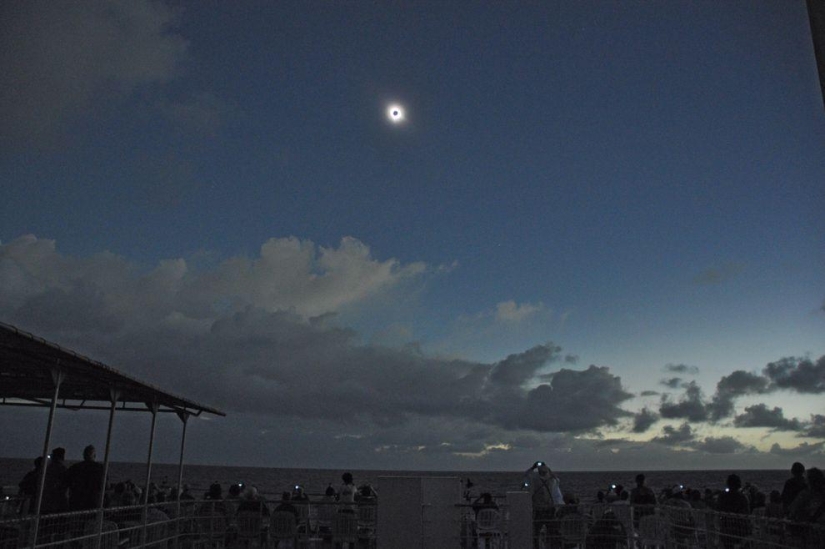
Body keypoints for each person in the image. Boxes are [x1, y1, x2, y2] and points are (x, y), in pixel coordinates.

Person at [525, 461, 563, 549]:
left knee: (535, 533)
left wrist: (533, 467)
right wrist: (548, 468)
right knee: (552, 532)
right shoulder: (552, 480)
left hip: (538, 510)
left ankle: (536, 547)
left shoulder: (534, 480)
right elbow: (557, 479)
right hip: (550, 510)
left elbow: (526, 475)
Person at [64, 445, 105, 511]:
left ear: (83, 455)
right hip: (93, 502)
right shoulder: (101, 468)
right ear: (94, 456)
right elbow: (105, 485)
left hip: (76, 501)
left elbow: (66, 483)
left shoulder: (74, 468)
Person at [717, 474, 751, 549]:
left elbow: (718, 508)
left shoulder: (722, 497)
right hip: (740, 530)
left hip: (726, 529)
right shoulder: (743, 498)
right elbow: (747, 513)